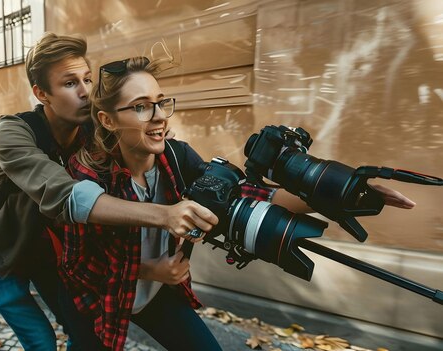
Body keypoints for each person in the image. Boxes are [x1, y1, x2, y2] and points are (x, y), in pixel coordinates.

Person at [56, 56, 417, 351]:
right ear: (107, 119)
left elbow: (257, 195)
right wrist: (148, 270)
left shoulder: (178, 159)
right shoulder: (87, 175)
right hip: (101, 303)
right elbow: (75, 265)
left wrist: (347, 193)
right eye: (140, 107)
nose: (160, 117)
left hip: (158, 297)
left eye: (160, 103)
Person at [0, 34, 217, 351]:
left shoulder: (92, 132)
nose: (86, 92)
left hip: (50, 257)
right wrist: (165, 216)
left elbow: (137, 146)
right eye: (70, 84)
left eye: (87, 78)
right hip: (3, 257)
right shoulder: (12, 132)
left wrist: (153, 133)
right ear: (41, 93)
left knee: (78, 330)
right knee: (41, 341)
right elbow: (63, 193)